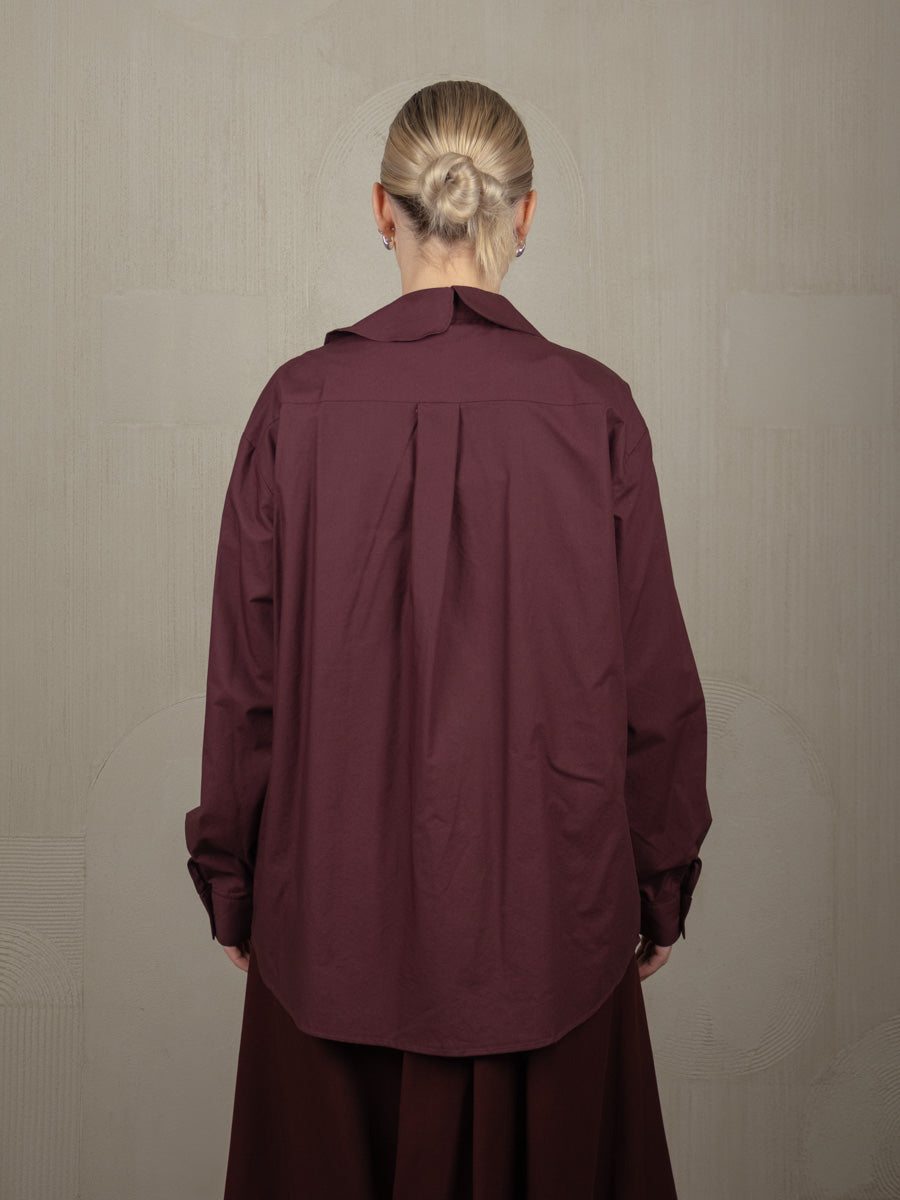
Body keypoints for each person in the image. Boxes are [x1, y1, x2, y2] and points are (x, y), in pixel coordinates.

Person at [185, 79, 711, 1200]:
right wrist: (659, 883)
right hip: (553, 937)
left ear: (383, 208)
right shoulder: (597, 411)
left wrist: (233, 881)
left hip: (328, 935)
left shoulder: (294, 406)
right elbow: (656, 688)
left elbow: (244, 687)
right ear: (526, 214)